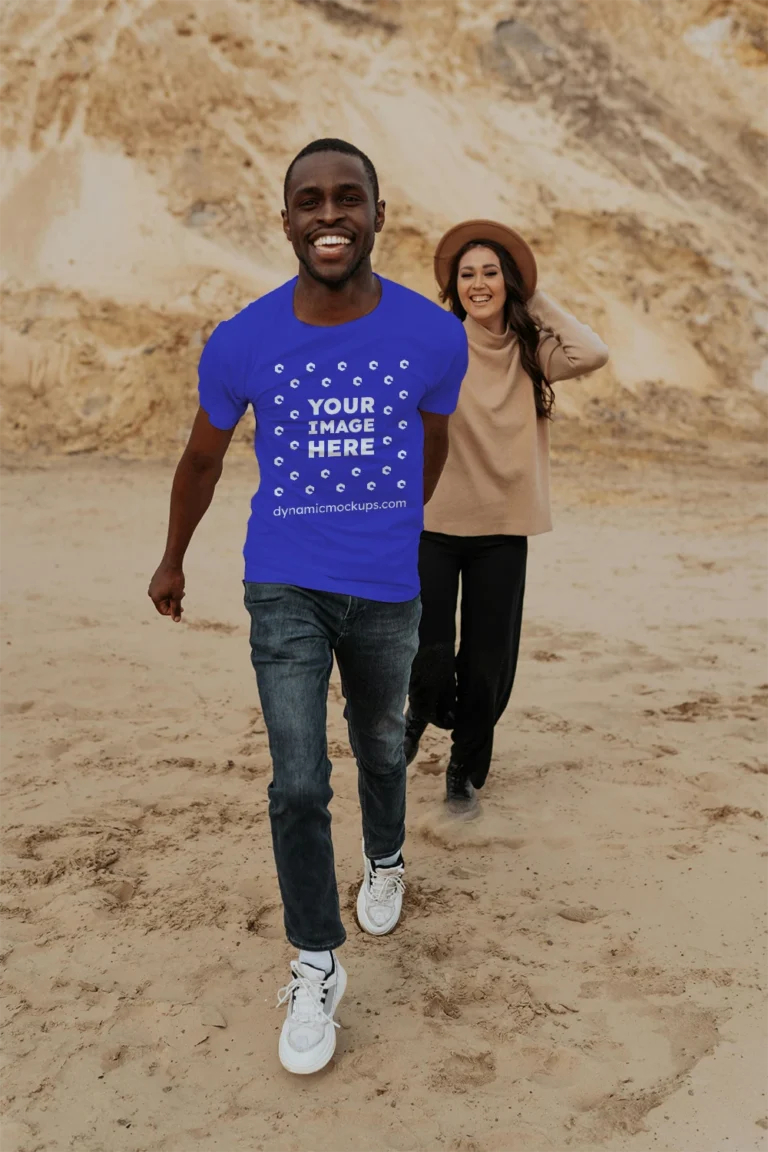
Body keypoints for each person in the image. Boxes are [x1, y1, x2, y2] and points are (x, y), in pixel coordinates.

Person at [148, 139, 468, 1075]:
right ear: (285, 219)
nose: (330, 216)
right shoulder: (243, 338)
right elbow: (203, 458)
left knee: (379, 744)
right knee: (296, 779)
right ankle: (316, 959)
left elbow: (431, 442)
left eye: (348, 199)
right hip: (282, 580)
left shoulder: (431, 334)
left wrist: (401, 528)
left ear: (378, 213)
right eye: (310, 202)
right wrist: (173, 558)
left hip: (385, 587)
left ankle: (385, 856)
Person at [404, 219, 609, 813]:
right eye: (466, 274)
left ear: (508, 280)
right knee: (429, 650)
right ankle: (417, 711)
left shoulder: (533, 350)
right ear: (454, 285)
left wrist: (533, 295)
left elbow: (591, 352)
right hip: (435, 526)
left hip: (503, 530)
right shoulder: (438, 343)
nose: (478, 283)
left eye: (491, 272)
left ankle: (461, 774)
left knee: (486, 662)